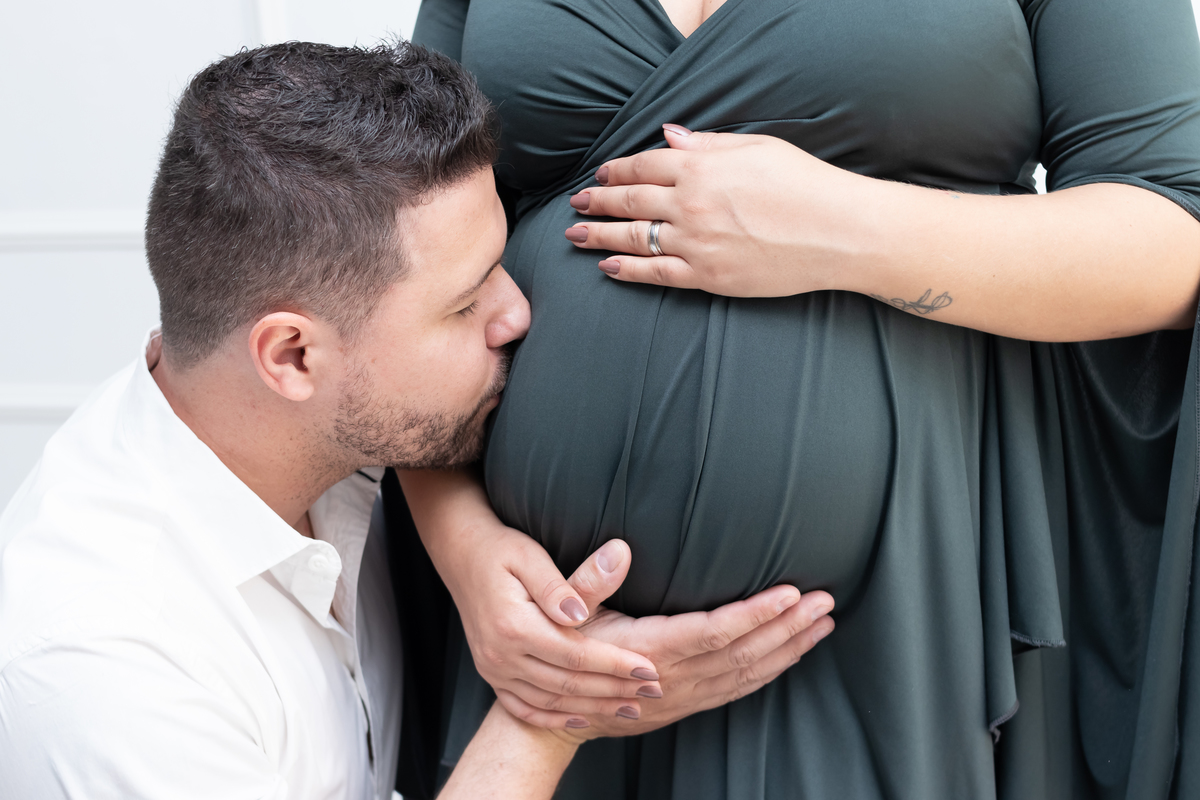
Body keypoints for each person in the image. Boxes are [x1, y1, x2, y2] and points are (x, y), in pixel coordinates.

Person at [396, 0, 1200, 797]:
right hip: (548, 641)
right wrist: (469, 560)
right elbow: (391, 264)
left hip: (893, 610)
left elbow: (1175, 230)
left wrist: (843, 228)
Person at [0, 41, 836, 799]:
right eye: (466, 302)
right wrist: (555, 713)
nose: (516, 314)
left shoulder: (297, 431)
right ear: (292, 357)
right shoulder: (103, 671)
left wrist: (468, 543)